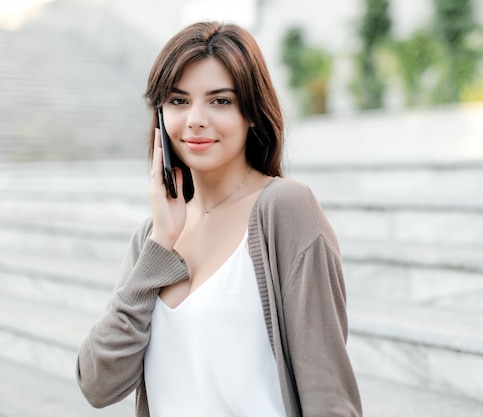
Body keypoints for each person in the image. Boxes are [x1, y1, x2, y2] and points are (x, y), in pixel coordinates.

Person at [75, 20, 362, 417]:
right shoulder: (153, 235)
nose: (195, 119)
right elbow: (97, 385)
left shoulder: (286, 210)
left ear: (252, 114)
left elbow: (328, 396)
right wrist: (160, 246)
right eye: (178, 101)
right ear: (159, 117)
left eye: (220, 101)